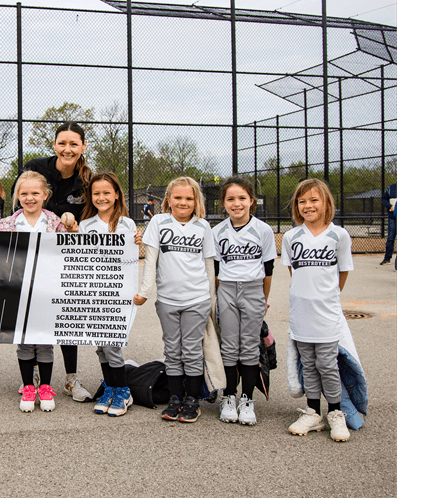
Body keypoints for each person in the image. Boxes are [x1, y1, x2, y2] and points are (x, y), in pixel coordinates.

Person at [11, 121, 93, 402]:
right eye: (62, 143)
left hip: (63, 258)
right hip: (31, 257)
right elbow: (21, 202)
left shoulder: (86, 179)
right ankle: (34, 377)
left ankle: (71, 378)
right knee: (32, 317)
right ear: (54, 145)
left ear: (83, 147)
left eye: (74, 144)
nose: (67, 149)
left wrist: (75, 222)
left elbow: (89, 217)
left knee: (65, 316)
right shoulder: (36, 167)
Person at [133, 176, 217, 424]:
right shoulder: (159, 222)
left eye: (189, 198)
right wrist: (146, 291)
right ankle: (175, 398)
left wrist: (210, 300)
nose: (183, 202)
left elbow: (209, 265)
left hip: (197, 299)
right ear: (168, 200)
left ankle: (192, 400)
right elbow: (150, 261)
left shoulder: (203, 227)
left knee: (190, 351)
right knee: (172, 350)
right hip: (168, 300)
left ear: (196, 201)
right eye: (178, 197)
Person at [281, 178, 354, 442]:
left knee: (327, 364)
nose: (308, 206)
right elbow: (294, 272)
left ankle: (335, 414)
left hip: (327, 315)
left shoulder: (339, 235)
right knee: (309, 365)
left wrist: (326, 296)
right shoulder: (291, 237)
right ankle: (313, 413)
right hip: (301, 313)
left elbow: (342, 272)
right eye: (302, 201)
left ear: (326, 203)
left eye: (314, 200)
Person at [0, 171, 69, 412]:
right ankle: (28, 387)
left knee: (45, 341)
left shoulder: (55, 223)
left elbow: (69, 255)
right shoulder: (6, 226)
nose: (30, 198)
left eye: (35, 193)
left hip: (47, 292)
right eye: (24, 193)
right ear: (17, 196)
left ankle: (45, 387)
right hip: (19, 291)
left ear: (45, 195)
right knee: (25, 342)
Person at [211, 176, 277, 426]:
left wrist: (263, 300)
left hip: (253, 290)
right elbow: (216, 271)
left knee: (249, 346)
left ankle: (247, 399)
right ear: (223, 203)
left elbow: (268, 270)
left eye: (242, 198)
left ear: (252, 201)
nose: (236, 204)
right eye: (230, 199)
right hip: (226, 290)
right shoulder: (217, 232)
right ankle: (229, 396)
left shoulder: (263, 230)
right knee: (229, 345)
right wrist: (219, 298)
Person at [78, 172, 141, 417]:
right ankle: (110, 387)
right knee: (101, 346)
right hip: (94, 291)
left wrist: (137, 242)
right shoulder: (86, 225)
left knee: (112, 343)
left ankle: (123, 390)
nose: (101, 197)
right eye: (96, 193)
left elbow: (130, 260)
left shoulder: (127, 224)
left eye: (107, 192)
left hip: (118, 293)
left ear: (117, 194)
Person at [380, 182, 397, 265]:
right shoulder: (390, 188)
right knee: (390, 238)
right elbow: (384, 199)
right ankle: (387, 258)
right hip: (393, 217)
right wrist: (390, 206)